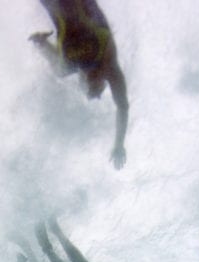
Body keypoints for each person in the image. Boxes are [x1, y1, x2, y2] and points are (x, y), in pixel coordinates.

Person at [29, 0, 130, 169]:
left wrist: (41, 42)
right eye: (95, 84)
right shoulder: (109, 67)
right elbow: (122, 107)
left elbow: (52, 58)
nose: (90, 79)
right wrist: (119, 143)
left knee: (60, 70)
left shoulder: (66, 66)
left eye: (87, 84)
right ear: (103, 81)